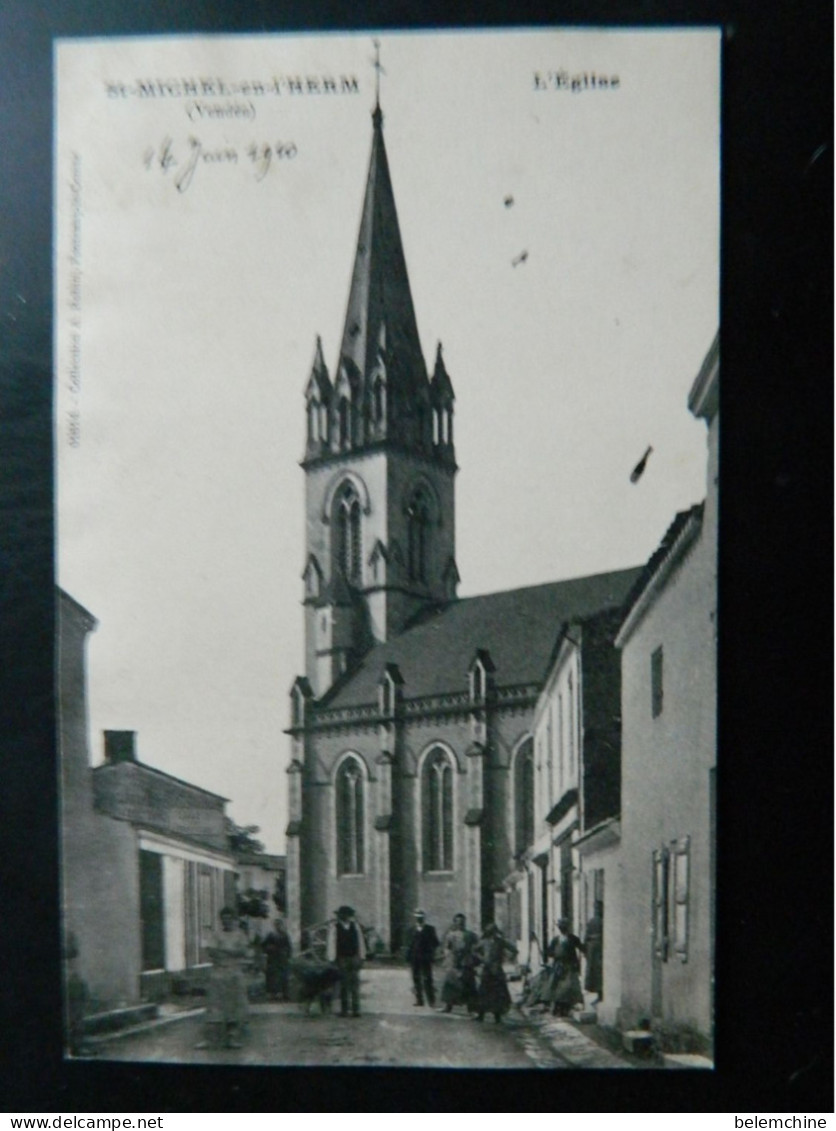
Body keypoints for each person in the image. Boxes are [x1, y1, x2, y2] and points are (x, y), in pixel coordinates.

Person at [196, 906, 250, 1049]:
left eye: (229, 919)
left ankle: (232, 1038)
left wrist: (224, 951)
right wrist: (230, 952)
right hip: (218, 973)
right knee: (214, 1005)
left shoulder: (240, 935)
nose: (226, 922)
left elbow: (242, 952)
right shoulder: (216, 935)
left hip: (234, 973)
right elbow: (212, 951)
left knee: (233, 1006)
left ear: (234, 920)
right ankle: (209, 1039)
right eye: (224, 919)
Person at [326, 905, 366, 1017]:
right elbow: (332, 944)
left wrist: (361, 957)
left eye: (347, 915)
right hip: (342, 958)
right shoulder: (335, 927)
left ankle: (356, 1010)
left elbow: (360, 942)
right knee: (344, 984)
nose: (345, 917)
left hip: (353, 958)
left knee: (355, 984)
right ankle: (344, 1010)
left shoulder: (355, 927)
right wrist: (332, 959)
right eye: (342, 915)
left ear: (349, 916)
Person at [473, 923, 517, 1022]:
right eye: (490, 932)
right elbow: (475, 950)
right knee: (484, 991)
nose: (493, 934)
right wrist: (482, 958)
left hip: (497, 970)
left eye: (494, 932)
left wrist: (509, 958)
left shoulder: (500, 942)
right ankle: (481, 1015)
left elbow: (514, 950)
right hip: (487, 969)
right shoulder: (484, 942)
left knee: (498, 993)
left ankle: (497, 1016)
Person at [439, 913, 479, 1013]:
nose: (461, 924)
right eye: (458, 922)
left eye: (463, 922)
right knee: (450, 984)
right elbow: (446, 948)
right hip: (454, 962)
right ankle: (448, 1006)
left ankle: (471, 1008)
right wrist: (450, 956)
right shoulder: (451, 935)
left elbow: (477, 947)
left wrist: (474, 957)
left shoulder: (470, 935)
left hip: (466, 961)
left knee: (469, 984)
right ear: (455, 923)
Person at [547, 917, 586, 1017]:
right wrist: (552, 961)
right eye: (560, 926)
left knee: (568, 986)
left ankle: (567, 1008)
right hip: (559, 966)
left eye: (564, 926)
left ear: (567, 928)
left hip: (570, 966)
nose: (562, 928)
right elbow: (550, 952)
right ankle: (558, 1009)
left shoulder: (573, 938)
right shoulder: (556, 940)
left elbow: (582, 948)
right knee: (558, 987)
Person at [405, 909, 440, 1007]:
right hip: (414, 958)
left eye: (421, 918)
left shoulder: (430, 929)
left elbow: (436, 942)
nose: (419, 919)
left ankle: (431, 1000)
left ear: (424, 918)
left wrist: (431, 952)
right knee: (416, 978)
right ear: (415, 918)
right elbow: (408, 944)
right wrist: (408, 956)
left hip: (425, 957)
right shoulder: (411, 930)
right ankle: (419, 1000)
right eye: (417, 917)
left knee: (427, 978)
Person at [262, 917, 293, 1002]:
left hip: (282, 959)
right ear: (274, 926)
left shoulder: (285, 935)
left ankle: (284, 993)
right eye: (276, 925)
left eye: (279, 924)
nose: (278, 926)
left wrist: (288, 956)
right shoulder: (271, 935)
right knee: (272, 976)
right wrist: (269, 949)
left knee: (283, 976)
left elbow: (289, 947)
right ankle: (272, 994)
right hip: (272, 959)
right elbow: (264, 946)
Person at [583, 907, 603, 1002]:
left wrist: (585, 949)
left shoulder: (592, 921)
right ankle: (600, 994)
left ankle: (599, 994)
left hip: (592, 949)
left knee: (595, 973)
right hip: (599, 950)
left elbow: (586, 937)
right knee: (598, 973)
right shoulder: (603, 922)